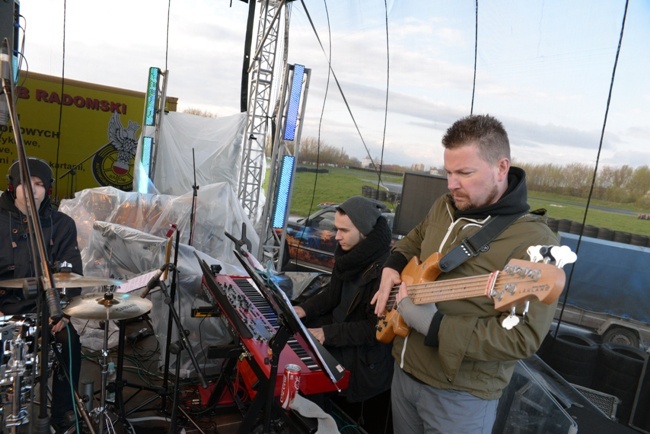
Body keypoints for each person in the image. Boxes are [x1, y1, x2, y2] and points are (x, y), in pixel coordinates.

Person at [371, 114, 559, 434]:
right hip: (403, 371)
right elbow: (415, 238)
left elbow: (521, 336)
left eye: (464, 173)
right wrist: (392, 265)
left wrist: (434, 326)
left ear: (501, 168)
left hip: (459, 398)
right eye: (448, 172)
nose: (451, 184)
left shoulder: (536, 243)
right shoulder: (445, 206)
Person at [293, 196, 394, 433]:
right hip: (337, 334)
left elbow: (373, 329)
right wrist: (303, 308)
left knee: (306, 376)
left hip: (363, 357)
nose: (337, 236)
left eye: (343, 230)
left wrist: (326, 334)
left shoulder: (385, 270)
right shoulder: (347, 256)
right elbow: (331, 296)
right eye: (336, 229)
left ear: (365, 231)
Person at [0, 157, 83, 433]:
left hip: (44, 312)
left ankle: (63, 414)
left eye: (39, 184)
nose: (33, 190)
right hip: (4, 312)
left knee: (69, 341)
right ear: (13, 186)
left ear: (47, 188)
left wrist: (63, 311)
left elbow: (72, 276)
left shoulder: (62, 224)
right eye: (26, 182)